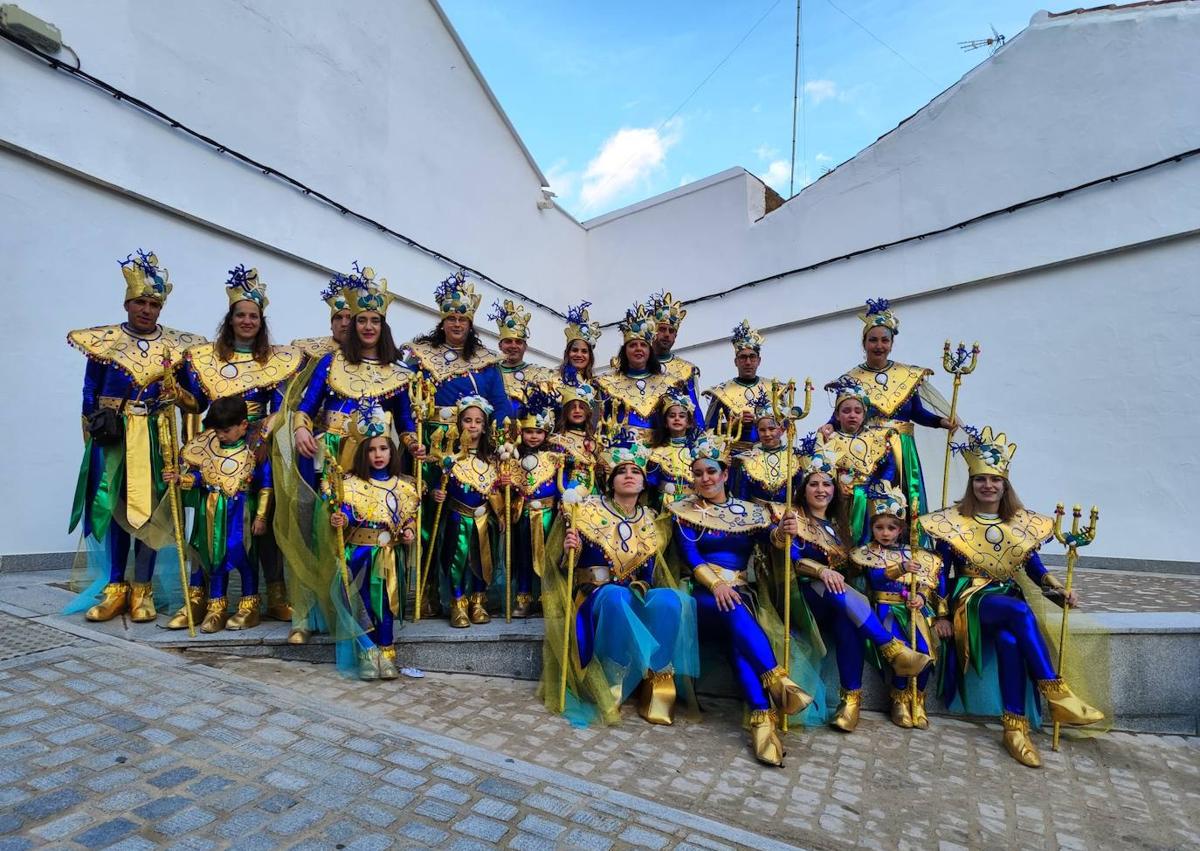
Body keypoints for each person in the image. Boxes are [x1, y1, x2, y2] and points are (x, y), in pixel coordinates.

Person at [920, 426, 1103, 767]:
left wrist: (1058, 591)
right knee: (1019, 614)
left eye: (995, 479)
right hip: (968, 598)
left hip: (1005, 598)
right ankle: (1055, 692)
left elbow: (1034, 567)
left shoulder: (1021, 522)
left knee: (1010, 641)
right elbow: (939, 572)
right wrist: (941, 615)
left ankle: (1014, 729)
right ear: (971, 483)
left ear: (1005, 484)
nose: (987, 485)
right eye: (980, 479)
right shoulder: (951, 522)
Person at [67, 250, 205, 622]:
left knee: (151, 513)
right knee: (114, 509)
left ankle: (143, 588)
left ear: (161, 308)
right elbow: (88, 392)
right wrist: (93, 435)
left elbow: (197, 402)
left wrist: (178, 396)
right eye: (140, 302)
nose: (146, 309)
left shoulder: (179, 348)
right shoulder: (105, 343)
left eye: (153, 304)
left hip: (156, 441)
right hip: (113, 440)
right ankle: (116, 587)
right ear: (127, 303)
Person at [667, 433, 814, 766]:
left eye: (711, 472)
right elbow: (691, 556)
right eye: (699, 473)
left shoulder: (750, 511)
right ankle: (778, 680)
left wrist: (783, 531)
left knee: (739, 642)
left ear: (724, 473)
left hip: (740, 597)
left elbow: (774, 542)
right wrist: (717, 584)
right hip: (700, 598)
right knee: (733, 609)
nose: (705, 478)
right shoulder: (684, 511)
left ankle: (762, 722)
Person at [175, 265, 303, 628]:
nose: (247, 321)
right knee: (206, 520)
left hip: (257, 448)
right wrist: (176, 392)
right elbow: (196, 403)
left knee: (259, 523)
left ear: (261, 322)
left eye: (254, 316)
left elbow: (282, 405)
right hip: (214, 446)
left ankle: (270, 595)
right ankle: (199, 597)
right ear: (229, 320)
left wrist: (261, 437)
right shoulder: (205, 359)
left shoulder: (276, 361)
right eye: (240, 315)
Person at [789, 436, 933, 733]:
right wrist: (820, 570)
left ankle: (851, 702)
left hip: (837, 601)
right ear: (803, 489)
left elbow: (854, 567)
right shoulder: (792, 518)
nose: (820, 490)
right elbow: (791, 559)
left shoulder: (840, 529)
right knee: (834, 589)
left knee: (849, 622)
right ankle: (891, 648)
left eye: (826, 484)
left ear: (834, 490)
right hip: (801, 597)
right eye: (814, 484)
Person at [548, 441, 697, 726]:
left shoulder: (652, 520)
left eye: (635, 472)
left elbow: (654, 570)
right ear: (610, 479)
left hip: (637, 593)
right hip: (595, 594)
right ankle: (611, 678)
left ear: (643, 483)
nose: (629, 475)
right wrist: (572, 548)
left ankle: (657, 679)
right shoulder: (586, 510)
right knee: (616, 597)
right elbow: (561, 567)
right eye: (621, 471)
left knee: (671, 600)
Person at [820, 298, 957, 518]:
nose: (879, 345)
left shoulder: (907, 375)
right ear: (864, 343)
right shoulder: (851, 379)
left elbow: (917, 413)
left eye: (885, 340)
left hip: (902, 448)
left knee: (905, 498)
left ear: (892, 344)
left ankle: (909, 544)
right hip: (868, 449)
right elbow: (841, 414)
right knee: (871, 501)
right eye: (873, 340)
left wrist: (941, 422)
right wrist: (828, 426)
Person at [291, 264, 419, 480]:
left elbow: (404, 421)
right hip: (329, 453)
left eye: (375, 321)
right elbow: (307, 407)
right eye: (361, 320)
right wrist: (301, 429)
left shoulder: (399, 373)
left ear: (383, 327)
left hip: (371, 456)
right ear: (354, 325)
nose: (368, 327)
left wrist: (413, 443)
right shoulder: (330, 362)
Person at [328, 405, 422, 680]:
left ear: (392, 452)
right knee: (364, 603)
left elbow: (408, 517)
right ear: (362, 453)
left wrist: (409, 532)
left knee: (387, 604)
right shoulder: (351, 484)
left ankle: (387, 652)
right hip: (359, 554)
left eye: (383, 449)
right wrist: (340, 521)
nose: (378, 455)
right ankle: (367, 654)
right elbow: (344, 512)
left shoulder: (404, 485)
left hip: (389, 555)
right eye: (371, 450)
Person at [164, 396, 272, 633]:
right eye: (217, 431)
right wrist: (180, 479)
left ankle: (249, 604)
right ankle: (216, 607)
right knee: (215, 560)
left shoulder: (255, 452)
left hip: (241, 514)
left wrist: (261, 517)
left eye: (225, 431)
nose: (220, 436)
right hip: (212, 514)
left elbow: (265, 486)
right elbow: (202, 478)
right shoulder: (209, 450)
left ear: (243, 425)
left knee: (245, 558)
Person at [851, 482, 950, 729]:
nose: (885, 533)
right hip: (886, 610)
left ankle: (918, 700)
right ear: (872, 528)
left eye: (891, 528)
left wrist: (923, 597)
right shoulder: (870, 553)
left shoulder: (913, 553)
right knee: (902, 650)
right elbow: (876, 578)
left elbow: (927, 582)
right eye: (879, 527)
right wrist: (901, 568)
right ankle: (899, 698)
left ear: (900, 530)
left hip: (913, 610)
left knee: (926, 653)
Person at [430, 396, 504, 627]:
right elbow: (434, 486)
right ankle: (458, 603)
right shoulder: (447, 458)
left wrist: (501, 512)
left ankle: (478, 601)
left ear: (484, 427)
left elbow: (496, 492)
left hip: (484, 519)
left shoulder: (492, 461)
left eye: (478, 421)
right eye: (468, 420)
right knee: (456, 561)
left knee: (482, 563)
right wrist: (436, 494)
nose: (473, 425)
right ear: (459, 424)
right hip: (457, 516)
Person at [819, 379, 899, 545]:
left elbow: (889, 465)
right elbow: (821, 467)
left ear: (864, 415)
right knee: (837, 534)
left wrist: (880, 485)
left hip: (868, 497)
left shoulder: (877, 439)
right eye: (846, 411)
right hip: (837, 497)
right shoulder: (830, 440)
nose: (852, 415)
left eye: (857, 411)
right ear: (837, 415)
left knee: (866, 535)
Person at [595, 302, 688, 443]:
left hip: (659, 455)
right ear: (624, 352)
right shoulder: (607, 384)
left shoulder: (670, 384)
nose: (638, 349)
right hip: (622, 454)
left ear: (650, 352)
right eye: (632, 345)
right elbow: (600, 423)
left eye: (643, 345)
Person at [503, 389, 560, 618]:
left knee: (550, 559)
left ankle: (549, 598)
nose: (534, 436)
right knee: (523, 557)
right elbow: (506, 487)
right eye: (528, 432)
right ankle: (523, 597)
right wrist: (505, 482)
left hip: (549, 516)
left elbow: (562, 483)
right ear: (521, 433)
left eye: (538, 431)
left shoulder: (556, 458)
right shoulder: (512, 457)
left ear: (546, 433)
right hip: (523, 516)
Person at [703, 320, 776, 453]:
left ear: (759, 361)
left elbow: (786, 425)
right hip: (734, 455)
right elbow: (708, 430)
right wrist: (733, 425)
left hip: (767, 455)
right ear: (736, 362)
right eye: (743, 357)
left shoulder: (774, 388)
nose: (748, 362)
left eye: (752, 357)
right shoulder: (722, 392)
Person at [489, 299, 557, 418]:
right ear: (500, 345)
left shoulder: (540, 375)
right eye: (508, 341)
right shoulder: (490, 372)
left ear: (525, 347)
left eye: (519, 342)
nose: (513, 346)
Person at [647, 291, 702, 420]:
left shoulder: (686, 370)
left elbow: (694, 409)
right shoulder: (638, 365)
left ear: (675, 337)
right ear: (652, 332)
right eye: (662, 329)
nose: (667, 335)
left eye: (671, 331)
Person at [644, 387, 698, 509]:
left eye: (682, 416)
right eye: (672, 415)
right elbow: (652, 486)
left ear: (689, 423)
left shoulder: (697, 452)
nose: (677, 419)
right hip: (665, 504)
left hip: (693, 504)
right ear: (665, 423)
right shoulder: (657, 453)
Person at [550, 382, 600, 492]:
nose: (577, 410)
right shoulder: (556, 440)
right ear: (566, 412)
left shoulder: (595, 440)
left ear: (588, 412)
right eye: (572, 407)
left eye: (581, 407)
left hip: (592, 493)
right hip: (566, 491)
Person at [558, 301, 601, 387]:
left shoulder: (597, 386)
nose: (579, 354)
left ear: (590, 356)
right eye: (574, 350)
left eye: (584, 351)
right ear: (567, 353)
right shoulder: (555, 381)